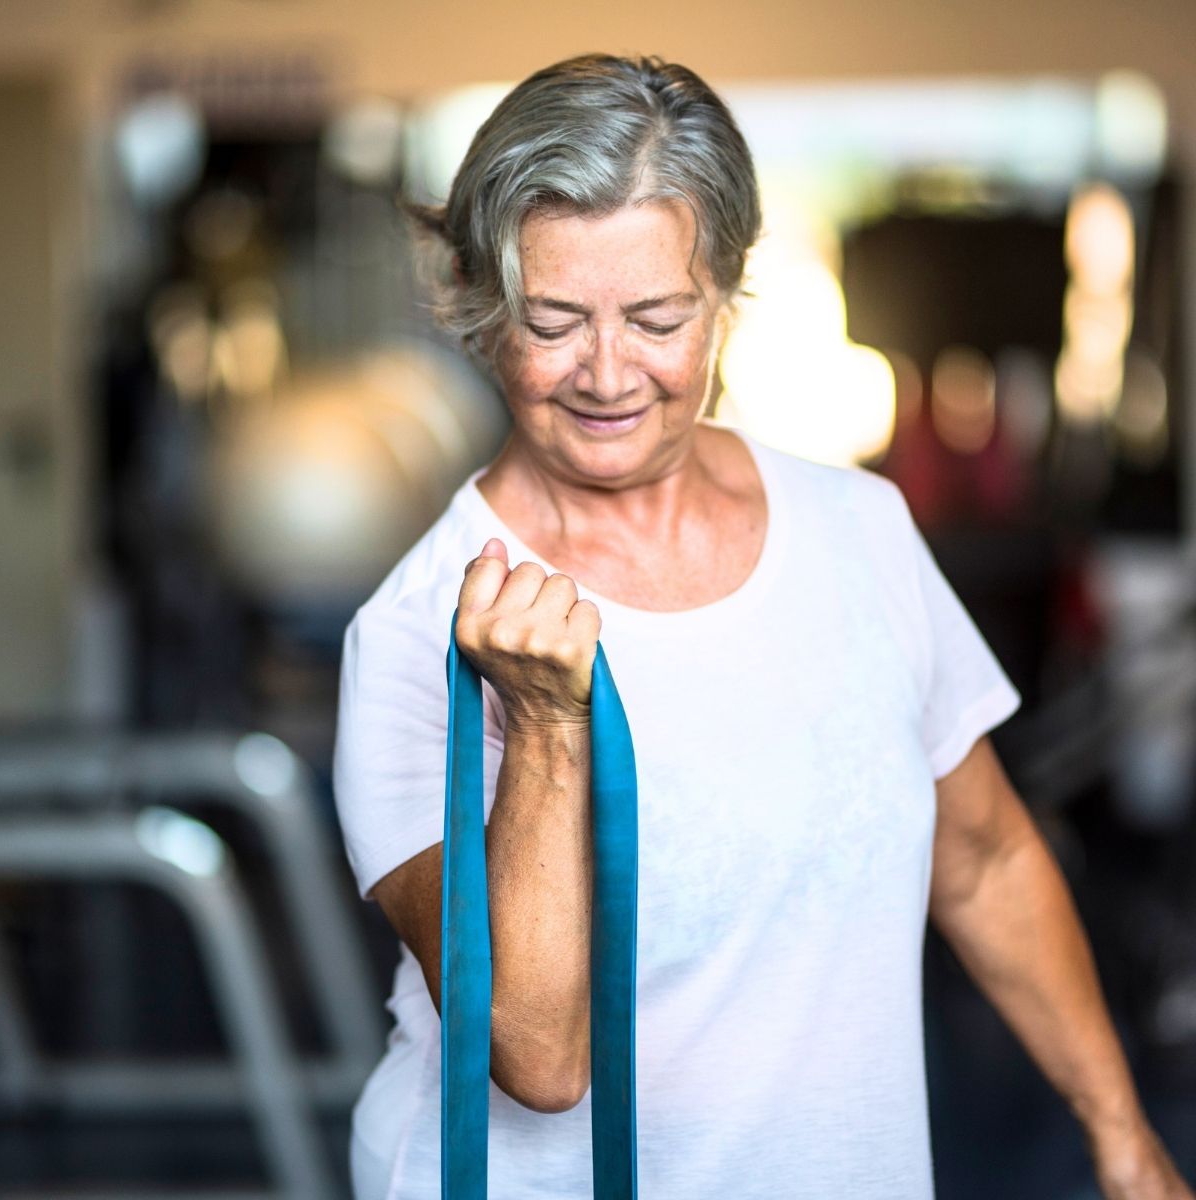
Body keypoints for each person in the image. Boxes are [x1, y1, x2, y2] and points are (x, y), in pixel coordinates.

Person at [333, 53, 1191, 1200]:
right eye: (553, 320)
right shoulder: (415, 633)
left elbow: (983, 861)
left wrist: (1123, 1133)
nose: (605, 373)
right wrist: (542, 725)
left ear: (726, 297)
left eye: (654, 317)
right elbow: (536, 1059)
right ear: (488, 315)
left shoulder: (858, 528)